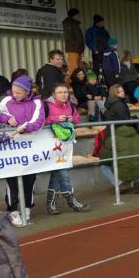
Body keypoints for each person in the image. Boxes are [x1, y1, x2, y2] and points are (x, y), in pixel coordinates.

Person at [0, 76, 45, 227]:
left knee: (30, 177)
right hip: (11, 147)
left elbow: (39, 121)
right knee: (11, 177)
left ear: (27, 92)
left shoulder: (36, 102)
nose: (15, 95)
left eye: (19, 93)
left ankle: (27, 207)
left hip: (30, 146)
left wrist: (24, 128)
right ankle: (12, 210)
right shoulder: (7, 100)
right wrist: (7, 118)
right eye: (13, 91)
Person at [43, 83, 90, 214]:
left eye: (65, 92)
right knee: (62, 171)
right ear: (54, 95)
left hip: (64, 144)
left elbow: (77, 118)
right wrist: (56, 119)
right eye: (60, 92)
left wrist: (71, 119)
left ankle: (50, 204)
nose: (63, 95)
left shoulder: (70, 105)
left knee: (57, 171)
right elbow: (40, 121)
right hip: (50, 144)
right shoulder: (46, 105)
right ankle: (71, 201)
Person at [99, 121, 139, 194]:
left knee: (103, 166)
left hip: (121, 169)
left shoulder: (112, 139)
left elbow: (105, 159)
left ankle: (119, 183)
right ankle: (137, 180)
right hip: (138, 168)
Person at [62, 7, 84, 72]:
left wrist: (81, 49)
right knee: (74, 67)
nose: (79, 16)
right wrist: (76, 46)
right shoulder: (68, 23)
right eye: (78, 14)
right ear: (74, 15)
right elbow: (69, 37)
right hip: (73, 49)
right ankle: (73, 79)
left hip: (78, 49)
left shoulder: (75, 24)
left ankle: (78, 78)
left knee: (79, 67)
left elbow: (79, 37)